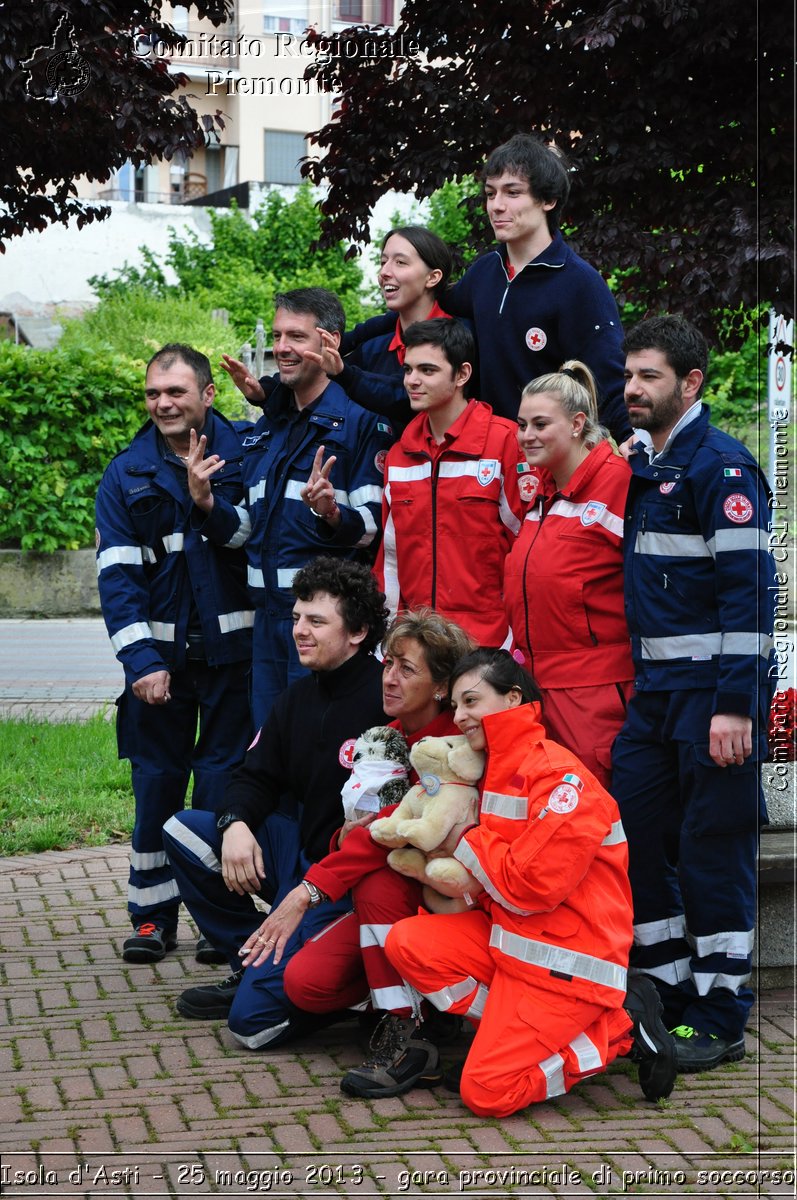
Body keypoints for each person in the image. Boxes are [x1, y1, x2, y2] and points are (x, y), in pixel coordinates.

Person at [384, 649, 677, 1117]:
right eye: (455, 705)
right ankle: (521, 1032)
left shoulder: (558, 776)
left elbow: (531, 885)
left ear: (513, 697)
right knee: (408, 942)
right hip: (517, 944)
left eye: (472, 702)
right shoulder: (491, 767)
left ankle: (617, 1029)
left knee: (487, 1094)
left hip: (570, 960)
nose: (459, 717)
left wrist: (462, 839)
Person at [611, 315, 776, 1073]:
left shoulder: (723, 468)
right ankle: (669, 993)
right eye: (628, 374)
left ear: (690, 383)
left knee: (712, 855)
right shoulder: (649, 463)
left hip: (711, 699)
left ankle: (719, 1012)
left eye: (648, 376)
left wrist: (734, 706)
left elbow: (747, 600)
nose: (632, 388)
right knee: (638, 837)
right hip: (652, 700)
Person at [239, 610, 476, 1097]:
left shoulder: (454, 746)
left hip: (455, 903)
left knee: (379, 880)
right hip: (395, 894)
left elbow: (392, 838)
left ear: (440, 686)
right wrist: (343, 836)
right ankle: (423, 1006)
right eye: (388, 663)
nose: (389, 678)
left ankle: (406, 1030)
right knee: (306, 985)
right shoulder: (384, 736)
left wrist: (305, 893)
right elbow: (358, 833)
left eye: (407, 669)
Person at [161, 557, 389, 1050]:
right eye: (296, 619)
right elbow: (253, 776)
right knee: (183, 829)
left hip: (346, 880)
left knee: (253, 1026)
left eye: (316, 621)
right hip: (298, 856)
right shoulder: (295, 699)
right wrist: (235, 824)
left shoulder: (387, 699)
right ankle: (252, 960)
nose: (299, 632)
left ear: (358, 632)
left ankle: (342, 992)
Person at [95, 344, 254, 965]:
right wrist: (142, 664)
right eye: (154, 393)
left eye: (176, 392)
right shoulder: (125, 474)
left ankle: (219, 918)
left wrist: (209, 501)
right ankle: (151, 918)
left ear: (208, 395)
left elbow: (252, 538)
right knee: (157, 787)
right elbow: (118, 580)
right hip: (160, 666)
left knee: (218, 789)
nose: (163, 403)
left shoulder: (242, 455)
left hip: (232, 660)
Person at [187, 288, 392, 726]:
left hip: (325, 625)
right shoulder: (269, 427)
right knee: (272, 754)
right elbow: (245, 530)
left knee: (319, 758)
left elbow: (373, 528)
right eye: (278, 335)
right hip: (268, 624)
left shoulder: (358, 421)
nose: (281, 348)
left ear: (329, 342)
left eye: (296, 337)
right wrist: (206, 504)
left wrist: (331, 513)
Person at [443, 134, 632, 447]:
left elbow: (608, 383)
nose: (496, 206)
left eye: (512, 192)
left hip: (552, 463)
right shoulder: (484, 273)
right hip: (487, 460)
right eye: (491, 194)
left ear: (548, 200)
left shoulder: (580, 284)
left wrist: (631, 441)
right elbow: (425, 312)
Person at [503, 360, 633, 786]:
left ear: (578, 424)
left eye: (540, 423)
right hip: (540, 689)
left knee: (596, 819)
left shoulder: (619, 483)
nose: (526, 435)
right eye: (522, 424)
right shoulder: (542, 491)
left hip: (595, 695)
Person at [374, 318, 524, 647]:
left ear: (462, 374)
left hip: (489, 643)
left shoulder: (505, 442)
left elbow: (526, 547)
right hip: (417, 644)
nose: (412, 381)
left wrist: (514, 641)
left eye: (427, 370)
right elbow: (389, 560)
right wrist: (386, 643)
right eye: (408, 369)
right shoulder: (399, 456)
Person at [221, 226, 457, 431]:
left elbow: (403, 399)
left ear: (433, 277)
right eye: (383, 261)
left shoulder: (462, 337)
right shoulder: (375, 344)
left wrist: (344, 374)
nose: (384, 272)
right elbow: (322, 376)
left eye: (400, 262)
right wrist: (264, 391)